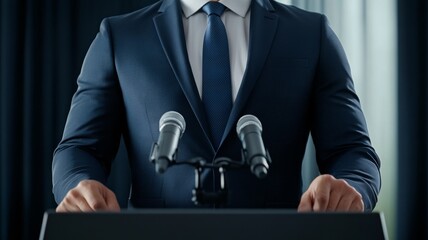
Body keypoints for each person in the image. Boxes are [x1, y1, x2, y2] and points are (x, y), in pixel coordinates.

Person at [53, 0, 381, 212]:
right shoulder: (119, 37)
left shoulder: (312, 35)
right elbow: (80, 149)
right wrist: (80, 186)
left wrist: (349, 189)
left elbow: (352, 151)